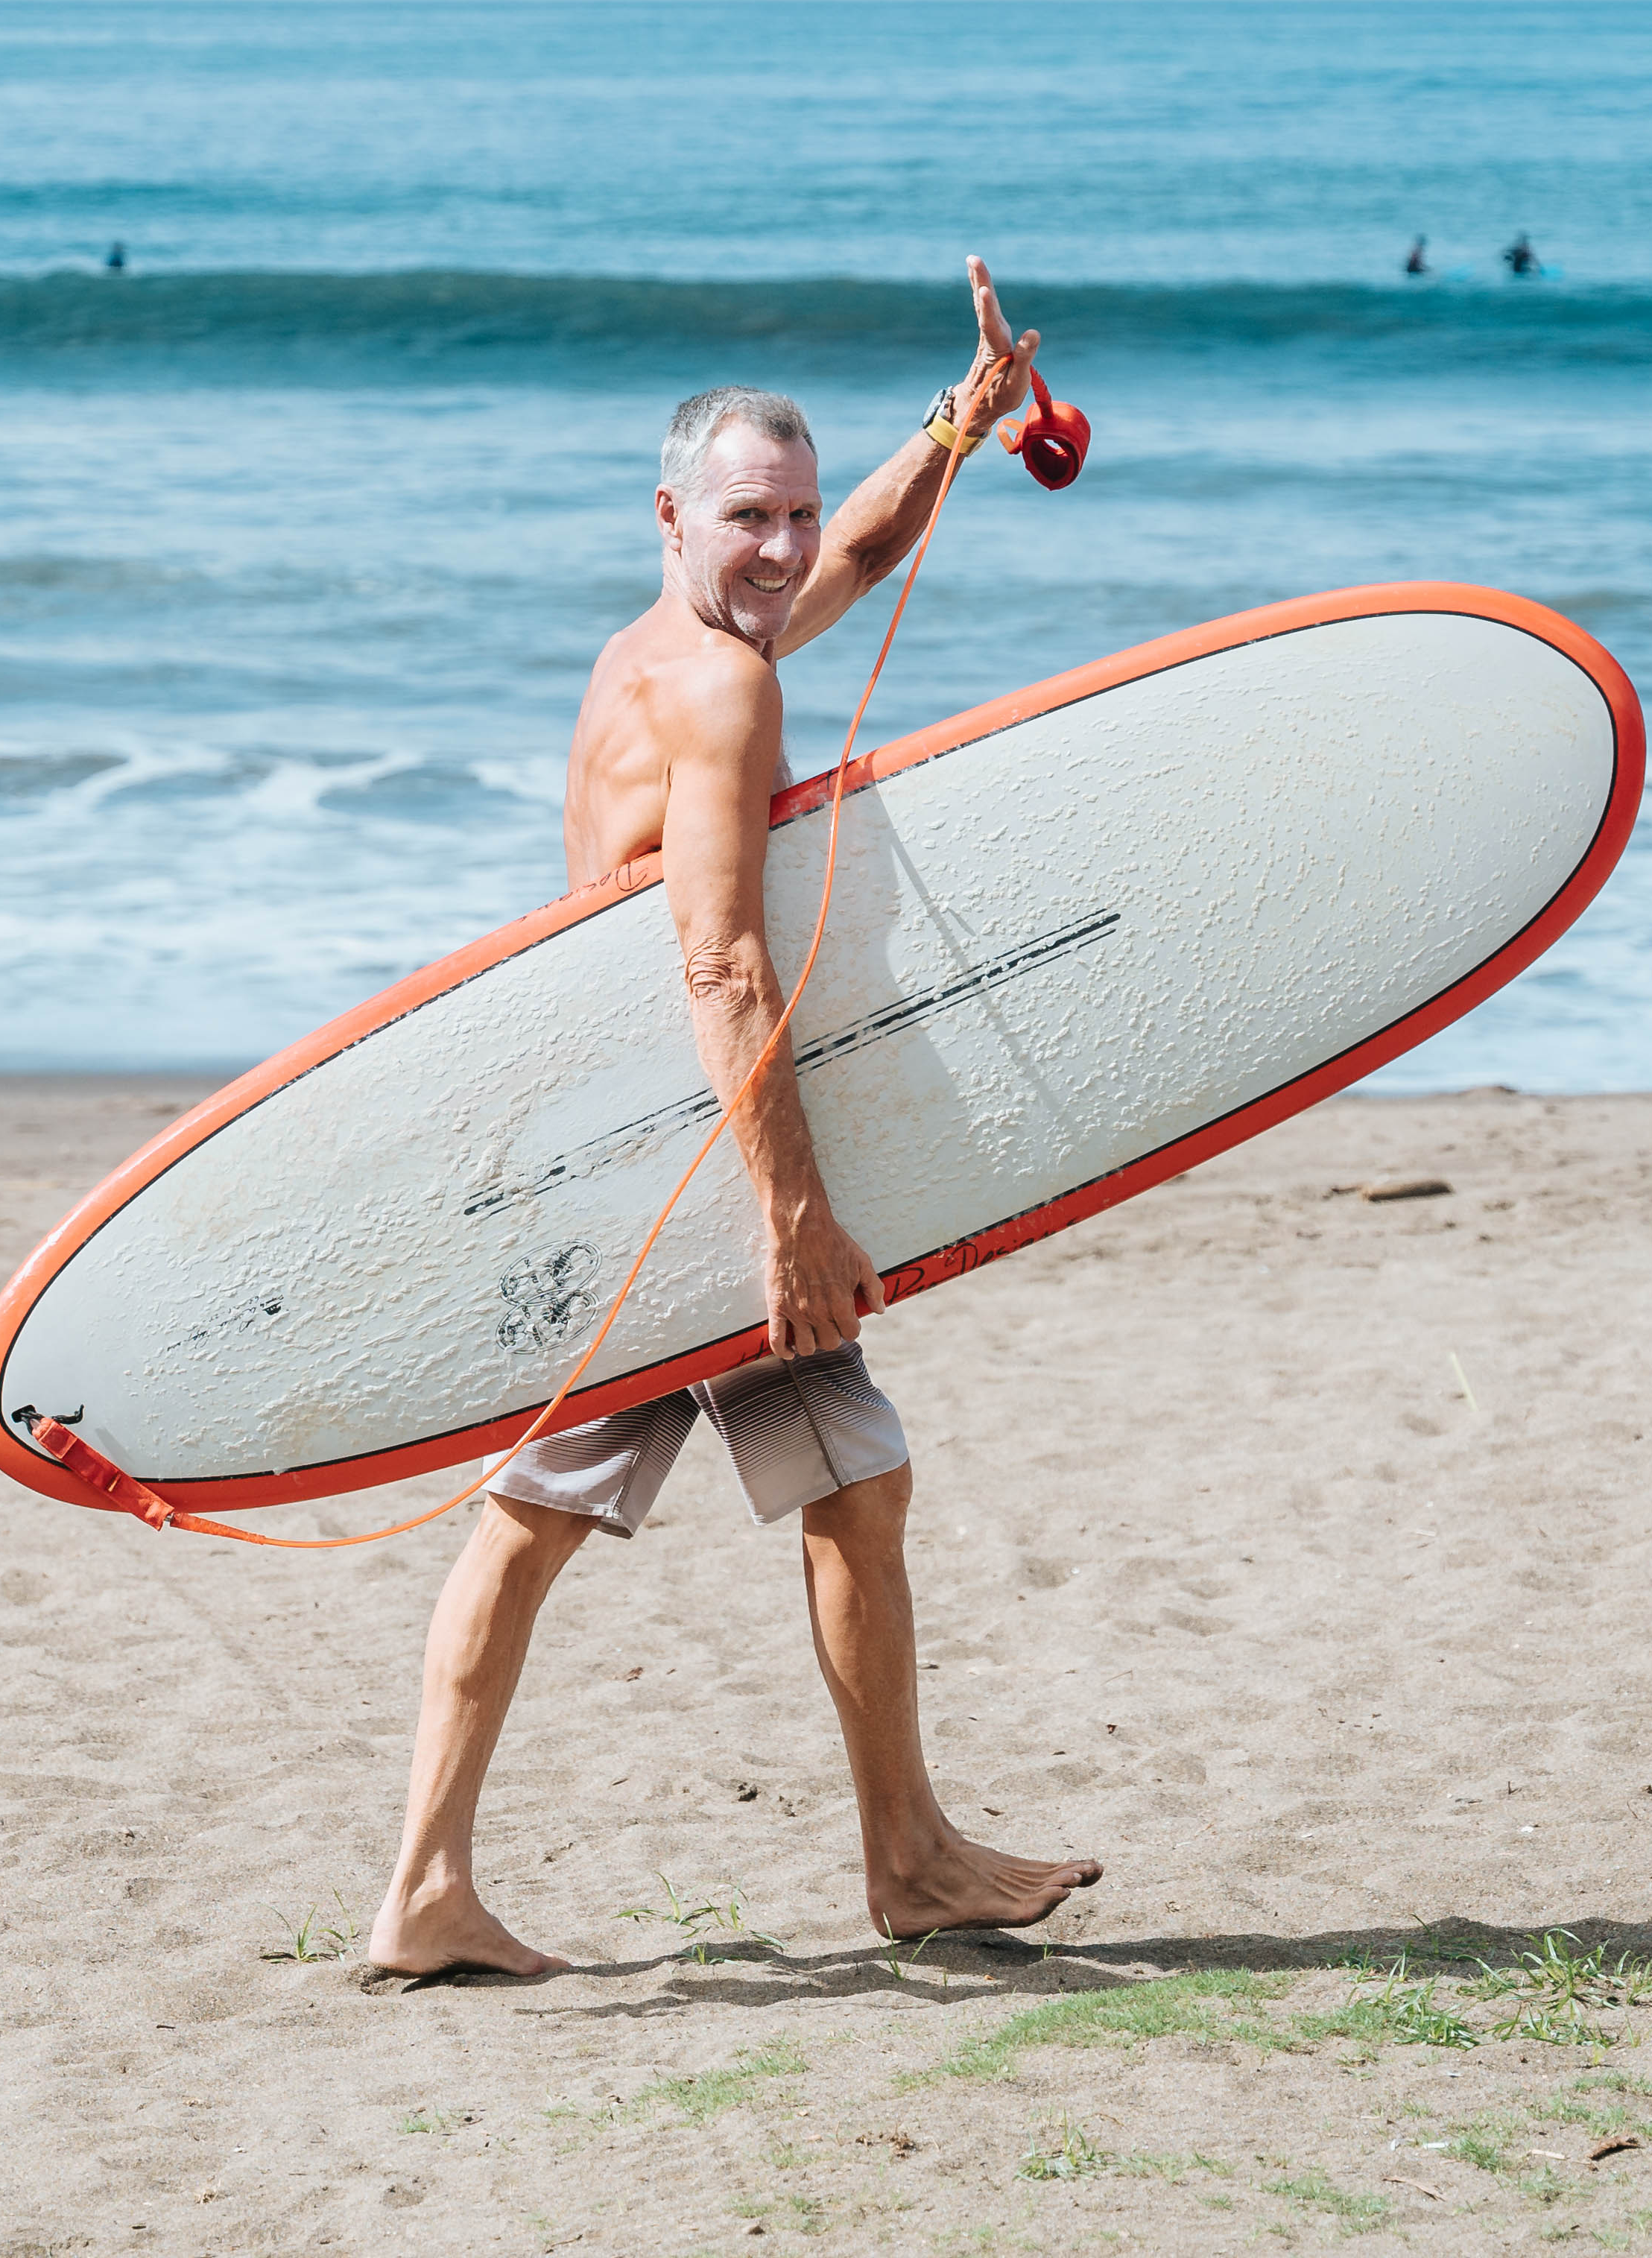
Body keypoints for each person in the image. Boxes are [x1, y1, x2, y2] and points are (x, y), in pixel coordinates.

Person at [364, 258, 1104, 1980]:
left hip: (606, 1149)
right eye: (745, 518)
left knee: (544, 1516)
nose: (779, 546)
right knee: (854, 1477)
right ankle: (909, 1861)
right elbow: (717, 964)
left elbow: (844, 563)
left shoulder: (671, 645)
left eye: (787, 509)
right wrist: (788, 1216)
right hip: (683, 1160)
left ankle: (422, 1887)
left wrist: (955, 424)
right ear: (669, 514)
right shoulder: (724, 691)